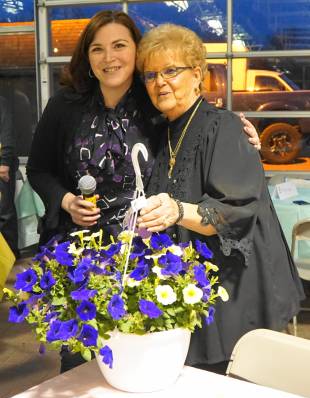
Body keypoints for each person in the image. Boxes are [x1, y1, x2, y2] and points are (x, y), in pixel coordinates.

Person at [26, 11, 260, 372]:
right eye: (97, 49)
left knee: (140, 358)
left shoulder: (153, 102)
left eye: (120, 46)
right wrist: (64, 199)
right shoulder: (64, 106)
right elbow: (39, 169)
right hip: (80, 254)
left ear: (136, 52)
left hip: (145, 255)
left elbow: (195, 125)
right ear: (86, 58)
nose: (109, 57)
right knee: (80, 360)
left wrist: (236, 131)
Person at [136, 23, 305, 374]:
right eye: (151, 74)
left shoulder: (223, 126)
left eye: (171, 70)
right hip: (197, 285)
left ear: (197, 75)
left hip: (235, 286)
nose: (159, 82)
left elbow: (234, 212)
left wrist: (177, 210)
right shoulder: (163, 131)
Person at [0, 95, 19, 259]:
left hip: (1, 166)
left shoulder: (2, 102)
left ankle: (11, 257)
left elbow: (7, 133)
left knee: (4, 214)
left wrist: (4, 163)